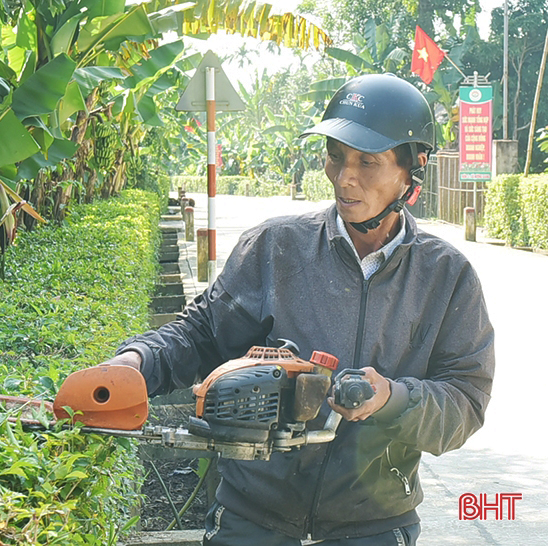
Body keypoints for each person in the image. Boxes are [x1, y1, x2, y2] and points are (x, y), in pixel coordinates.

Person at [101, 73, 495, 545]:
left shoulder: (447, 278)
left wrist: (391, 397)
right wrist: (132, 364)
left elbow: (465, 403)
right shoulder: (274, 246)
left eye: (367, 162)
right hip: (253, 515)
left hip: (374, 524)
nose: (345, 177)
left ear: (414, 168)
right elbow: (200, 334)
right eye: (335, 156)